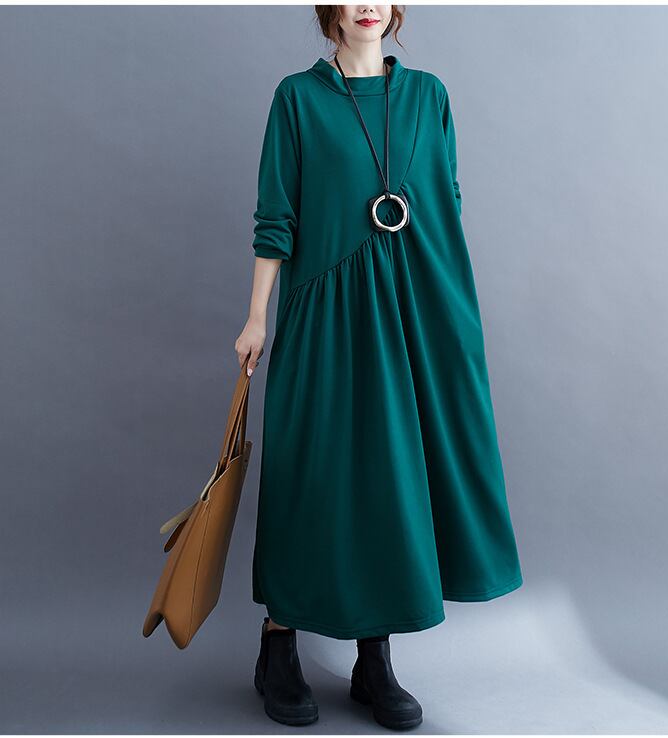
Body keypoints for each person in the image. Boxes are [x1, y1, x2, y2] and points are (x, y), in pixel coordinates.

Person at [235, 4, 523, 730]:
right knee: (314, 471)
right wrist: (257, 317)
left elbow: (446, 204)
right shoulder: (297, 98)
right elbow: (277, 214)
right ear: (327, 9)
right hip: (326, 309)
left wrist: (452, 316)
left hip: (415, 307)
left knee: (391, 477)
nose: (367, 2)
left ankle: (375, 656)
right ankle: (279, 645)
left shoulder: (428, 95)